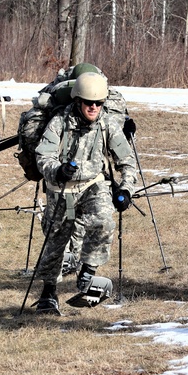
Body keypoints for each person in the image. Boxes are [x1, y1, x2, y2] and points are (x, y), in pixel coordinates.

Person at [33, 72, 137, 314]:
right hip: (61, 188)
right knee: (55, 241)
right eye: (89, 103)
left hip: (93, 184)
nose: (93, 107)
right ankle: (49, 291)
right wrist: (58, 170)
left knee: (103, 220)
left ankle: (88, 271)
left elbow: (126, 161)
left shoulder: (108, 123)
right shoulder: (59, 121)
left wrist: (126, 189)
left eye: (98, 103)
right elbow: (43, 156)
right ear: (78, 100)